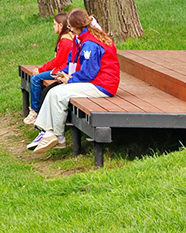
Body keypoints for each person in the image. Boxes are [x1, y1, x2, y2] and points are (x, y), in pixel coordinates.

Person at [28, 9, 120, 153]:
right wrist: (65, 74)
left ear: (76, 26)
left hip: (102, 85)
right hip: (95, 81)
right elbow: (78, 63)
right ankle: (47, 132)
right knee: (53, 92)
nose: (69, 30)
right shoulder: (84, 38)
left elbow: (89, 72)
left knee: (59, 95)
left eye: (70, 27)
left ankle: (58, 136)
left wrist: (70, 79)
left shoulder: (90, 43)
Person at [22, 12, 75, 126]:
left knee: (35, 78)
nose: (53, 26)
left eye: (55, 24)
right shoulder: (68, 37)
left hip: (62, 70)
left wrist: (41, 69)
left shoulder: (66, 40)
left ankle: (35, 111)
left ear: (61, 25)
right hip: (63, 68)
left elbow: (58, 61)